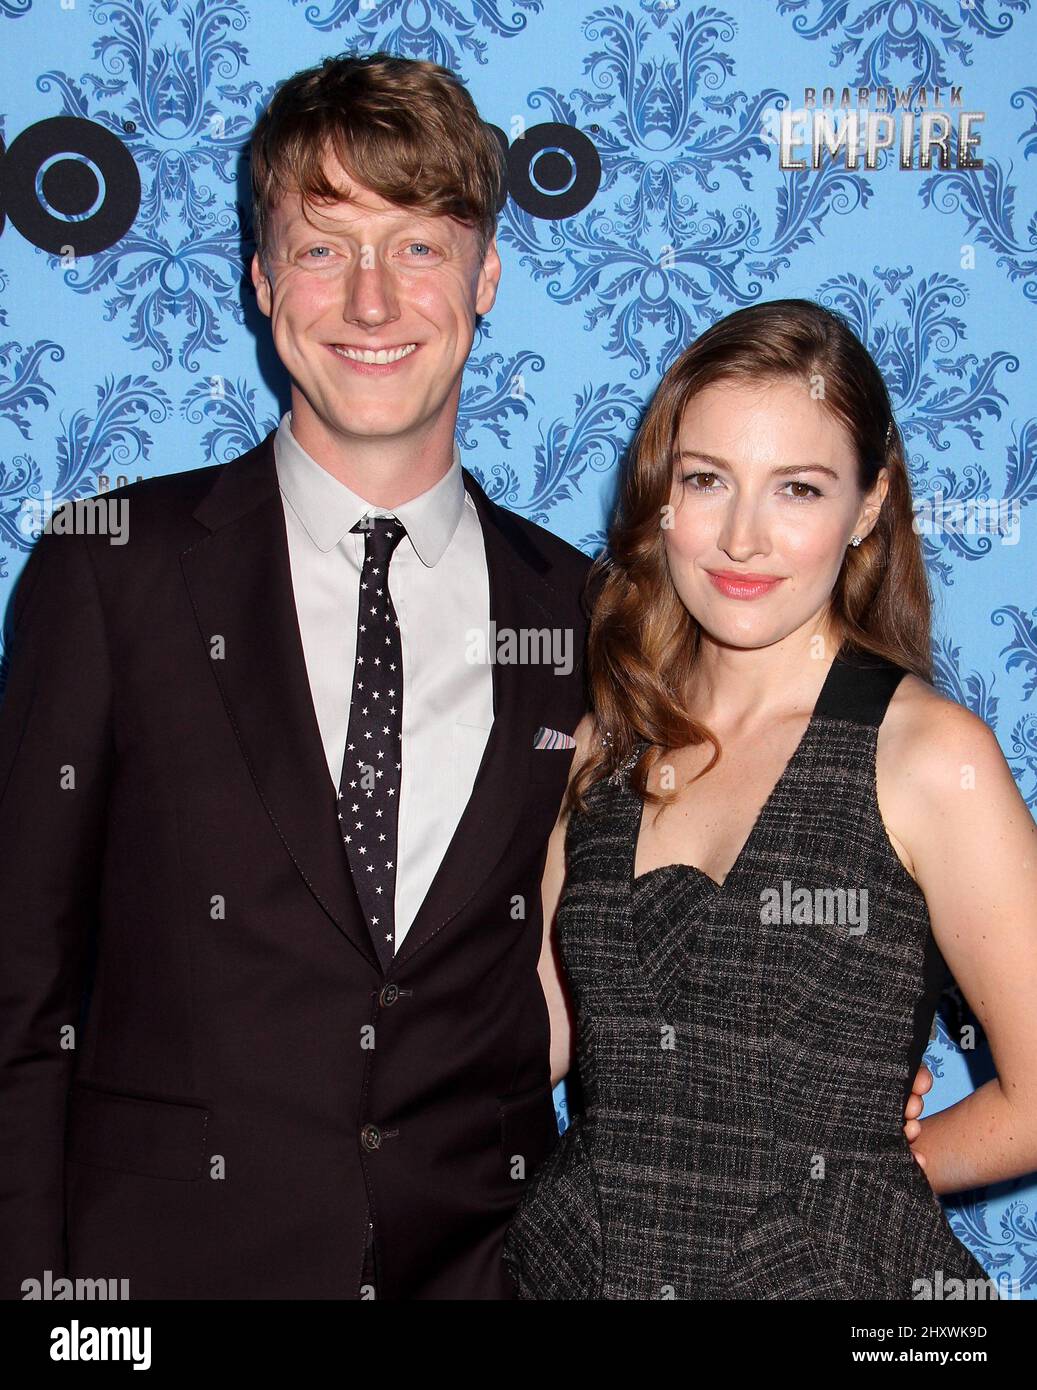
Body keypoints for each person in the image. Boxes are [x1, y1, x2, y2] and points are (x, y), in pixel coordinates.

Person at [0, 55, 930, 1301]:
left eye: (419, 247)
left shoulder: (592, 612)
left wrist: (823, 1074)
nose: (372, 299)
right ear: (261, 281)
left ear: (484, 277)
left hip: (492, 1276)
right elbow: (19, 994)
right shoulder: (110, 569)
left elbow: (638, 937)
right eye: (324, 247)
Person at [504, 298, 1037, 1300]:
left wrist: (859, 1183)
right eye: (705, 480)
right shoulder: (602, 746)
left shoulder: (925, 756)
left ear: (867, 506)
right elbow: (533, 1040)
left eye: (796, 488)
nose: (741, 537)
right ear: (663, 496)